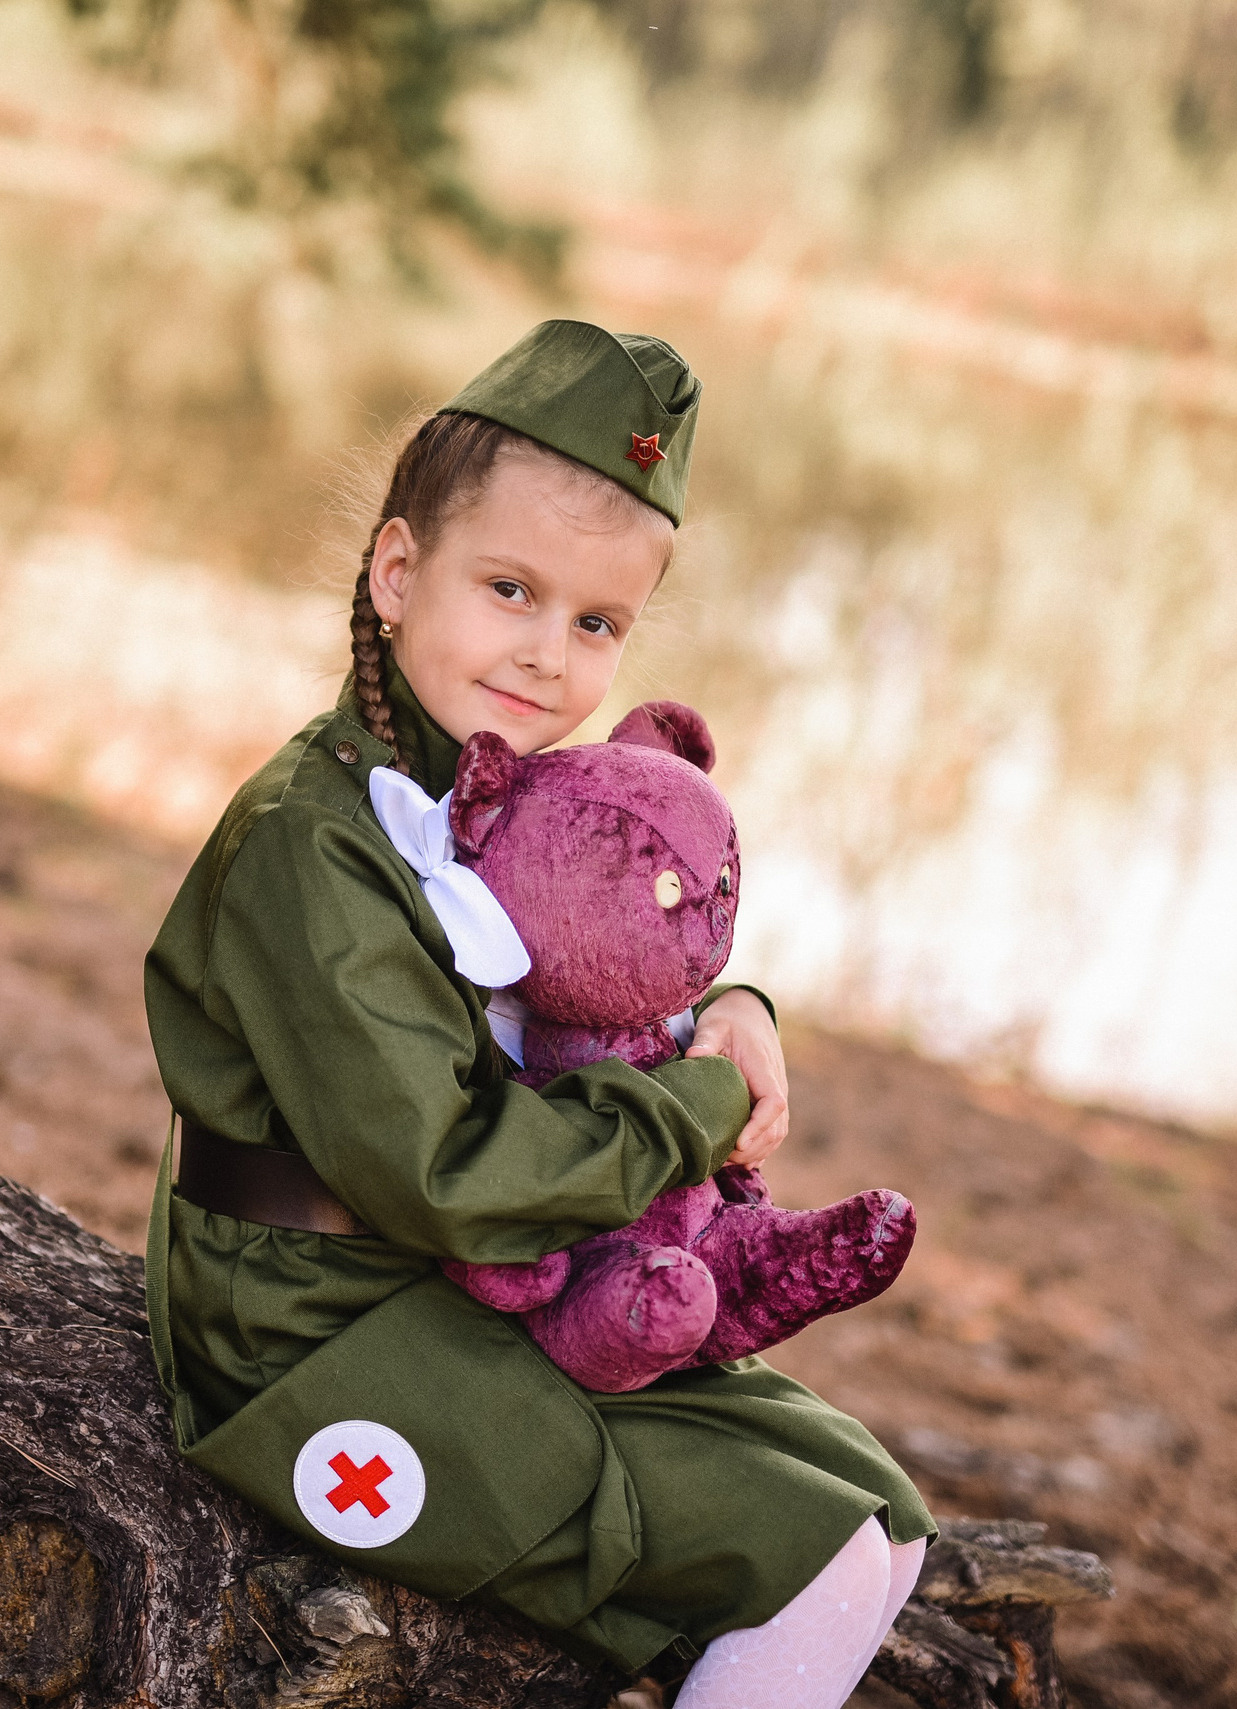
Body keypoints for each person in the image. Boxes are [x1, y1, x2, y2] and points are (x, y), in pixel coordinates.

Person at [143, 320, 934, 1706]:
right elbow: (450, 1170)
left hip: (475, 1276)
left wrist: (728, 1004)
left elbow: (608, 968)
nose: (548, 655)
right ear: (398, 571)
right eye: (509, 587)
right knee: (814, 1551)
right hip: (312, 1328)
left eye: (596, 622)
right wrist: (696, 1109)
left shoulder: (499, 801)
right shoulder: (315, 843)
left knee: (881, 1512)